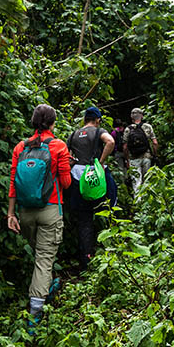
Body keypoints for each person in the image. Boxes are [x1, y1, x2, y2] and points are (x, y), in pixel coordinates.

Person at [7, 103, 72, 320]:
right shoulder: (59, 146)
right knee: (44, 259)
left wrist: (11, 214)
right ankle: (35, 313)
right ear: (53, 123)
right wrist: (67, 167)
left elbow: (13, 182)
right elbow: (66, 182)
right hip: (50, 210)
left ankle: (47, 286)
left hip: (25, 213)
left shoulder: (21, 147)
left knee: (40, 256)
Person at [67, 106, 116, 267]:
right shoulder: (98, 131)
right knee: (110, 209)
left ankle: (86, 258)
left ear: (84, 120)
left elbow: (67, 156)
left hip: (78, 178)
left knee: (84, 220)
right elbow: (110, 141)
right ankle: (110, 252)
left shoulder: (74, 135)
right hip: (97, 176)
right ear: (97, 120)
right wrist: (100, 161)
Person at [123, 107, 159, 192]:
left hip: (133, 158)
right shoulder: (148, 127)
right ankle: (146, 201)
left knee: (136, 182)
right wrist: (155, 155)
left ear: (132, 117)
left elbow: (125, 147)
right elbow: (155, 143)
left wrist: (127, 159)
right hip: (146, 157)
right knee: (146, 180)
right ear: (142, 116)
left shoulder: (128, 129)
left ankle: (138, 202)